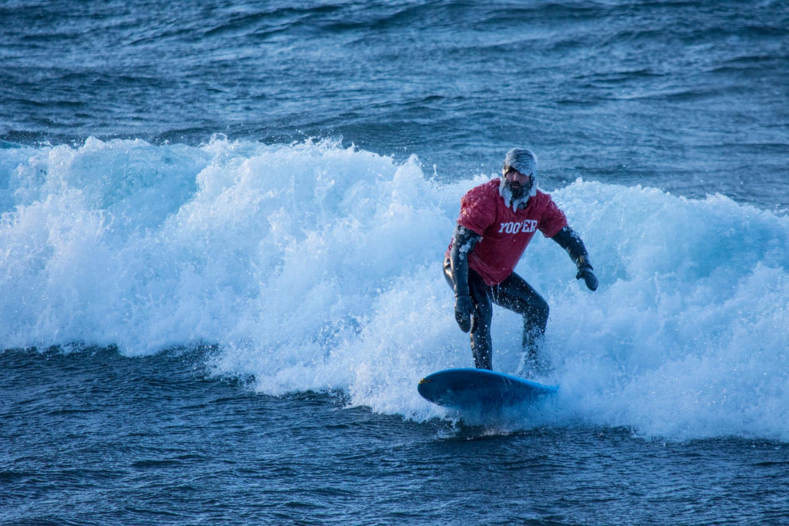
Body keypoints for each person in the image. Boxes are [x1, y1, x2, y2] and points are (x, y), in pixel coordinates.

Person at [443, 148, 598, 373]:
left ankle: (531, 370)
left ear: (532, 177)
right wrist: (461, 296)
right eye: (511, 171)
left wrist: (584, 264)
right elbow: (459, 248)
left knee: (538, 308)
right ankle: (485, 374)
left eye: (522, 173)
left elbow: (567, 236)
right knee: (482, 310)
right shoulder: (486, 199)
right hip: (464, 267)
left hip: (497, 274)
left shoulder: (541, 205)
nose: (515, 178)